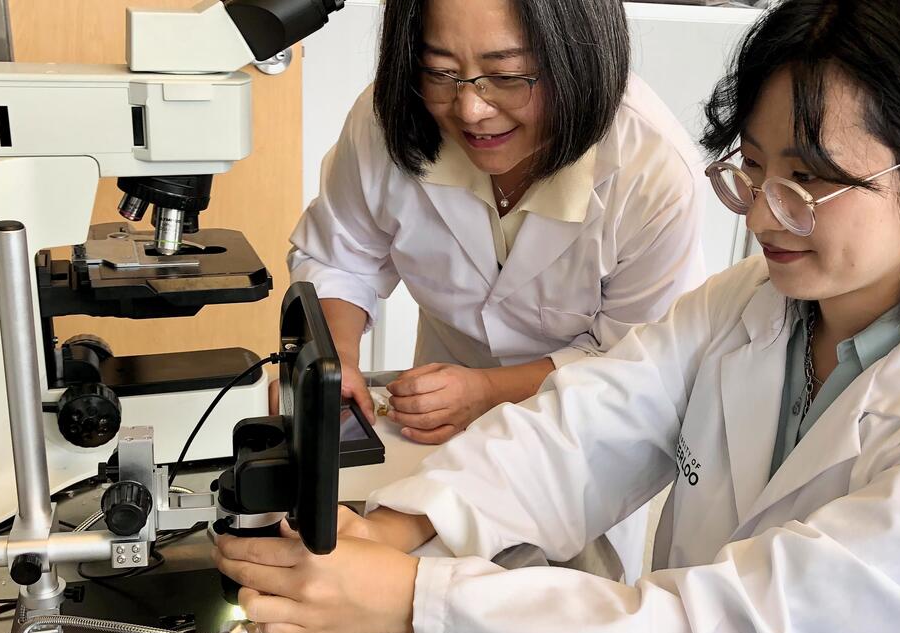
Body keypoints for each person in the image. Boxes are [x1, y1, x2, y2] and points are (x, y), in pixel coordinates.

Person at [218, 1, 900, 633]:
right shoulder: (750, 304)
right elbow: (579, 430)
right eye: (753, 169)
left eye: (810, 182)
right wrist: (397, 529)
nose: (763, 216)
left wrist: (418, 596)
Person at [286, 0, 707, 445]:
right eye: (441, 72)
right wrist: (335, 361)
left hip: (585, 438)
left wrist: (486, 392)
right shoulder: (392, 119)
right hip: (431, 423)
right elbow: (341, 258)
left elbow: (636, 363)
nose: (470, 110)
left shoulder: (652, 172)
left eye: (507, 76)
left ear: (580, 61)